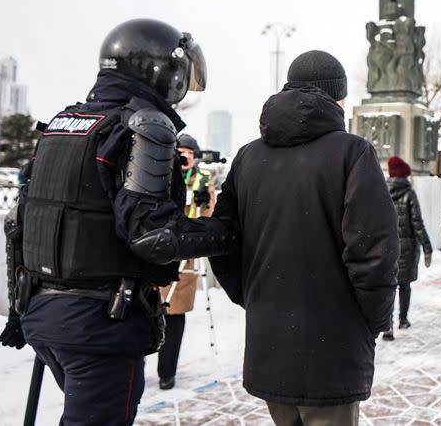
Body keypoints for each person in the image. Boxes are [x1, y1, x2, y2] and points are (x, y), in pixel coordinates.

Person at [0, 18, 234, 426]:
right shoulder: (143, 126)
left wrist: (18, 314)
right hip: (100, 324)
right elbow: (153, 234)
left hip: (44, 313)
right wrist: (232, 231)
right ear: (163, 72)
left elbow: (18, 223)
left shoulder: (64, 124)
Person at [153, 50, 400, 426]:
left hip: (270, 342)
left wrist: (252, 296)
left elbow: (222, 239)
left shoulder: (249, 157)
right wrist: (375, 320)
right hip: (333, 346)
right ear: (337, 97)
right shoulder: (352, 153)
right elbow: (373, 252)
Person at [156, 133, 217, 390]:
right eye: (181, 152)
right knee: (148, 311)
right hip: (157, 250)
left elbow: (211, 215)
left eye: (190, 153)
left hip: (186, 255)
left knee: (175, 315)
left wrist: (204, 203)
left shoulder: (203, 180)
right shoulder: (160, 175)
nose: (185, 158)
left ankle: (166, 371)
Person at [382, 155, 433, 341]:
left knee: (388, 287)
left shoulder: (381, 192)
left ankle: (387, 326)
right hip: (407, 248)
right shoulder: (409, 194)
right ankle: (403, 320)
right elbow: (417, 223)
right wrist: (427, 247)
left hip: (386, 248)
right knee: (404, 285)